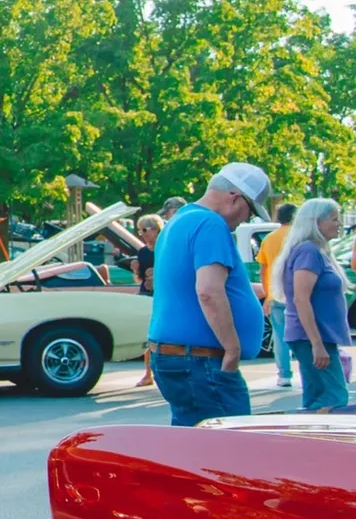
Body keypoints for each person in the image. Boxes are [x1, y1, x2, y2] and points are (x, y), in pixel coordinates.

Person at [147, 163, 269, 427]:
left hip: (177, 356)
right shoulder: (210, 223)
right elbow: (208, 291)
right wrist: (232, 348)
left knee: (193, 448)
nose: (247, 219)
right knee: (230, 452)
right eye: (250, 210)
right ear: (235, 196)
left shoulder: (179, 220)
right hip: (201, 360)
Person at [277, 198, 350, 412]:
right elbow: (301, 298)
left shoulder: (316, 251)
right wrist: (316, 343)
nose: (340, 224)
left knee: (317, 395)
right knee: (334, 397)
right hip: (311, 338)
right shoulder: (308, 251)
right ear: (316, 222)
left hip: (316, 338)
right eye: (334, 219)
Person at [255, 203, 297, 389]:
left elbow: (262, 269)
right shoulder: (299, 238)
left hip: (277, 294)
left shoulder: (269, 239)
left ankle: (284, 375)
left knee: (280, 336)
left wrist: (267, 294)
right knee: (305, 335)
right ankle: (308, 371)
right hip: (298, 293)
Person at [132, 213, 163, 386]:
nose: (141, 234)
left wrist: (156, 277)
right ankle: (148, 374)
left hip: (163, 294)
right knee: (148, 334)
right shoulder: (142, 252)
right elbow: (140, 278)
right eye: (139, 230)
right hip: (146, 294)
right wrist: (136, 271)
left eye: (144, 229)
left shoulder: (165, 247)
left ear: (155, 229)